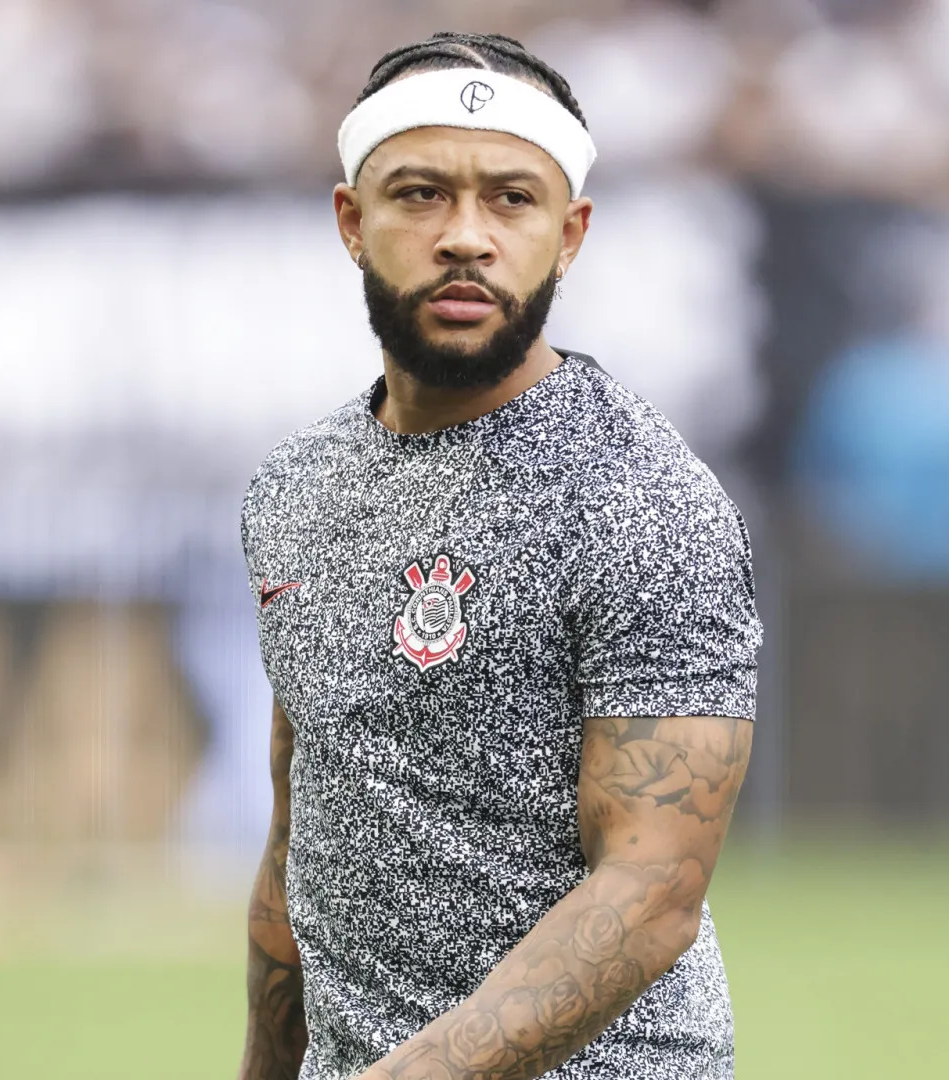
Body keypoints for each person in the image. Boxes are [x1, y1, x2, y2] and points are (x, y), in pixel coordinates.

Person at [238, 32, 761, 1080]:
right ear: (352, 221)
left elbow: (653, 892)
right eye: (421, 195)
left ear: (569, 236)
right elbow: (305, 831)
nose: (465, 237)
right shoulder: (295, 487)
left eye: (511, 200)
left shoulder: (639, 498)